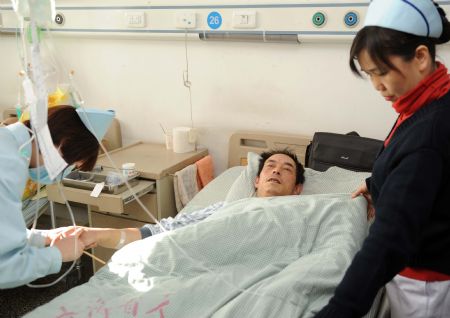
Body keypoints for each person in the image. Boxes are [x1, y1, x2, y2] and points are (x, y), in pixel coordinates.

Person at [315, 1, 450, 317]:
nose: (377, 85)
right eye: (369, 74)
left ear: (420, 57)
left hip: (426, 287)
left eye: (382, 72)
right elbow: (415, 169)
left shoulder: (429, 133)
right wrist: (376, 182)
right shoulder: (427, 103)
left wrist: (339, 310)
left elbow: (389, 239)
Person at [78, 149, 305, 250]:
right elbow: (172, 228)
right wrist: (103, 234)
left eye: (286, 169)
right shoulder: (229, 207)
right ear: (256, 180)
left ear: (297, 189)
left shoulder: (304, 216)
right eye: (270, 166)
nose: (276, 172)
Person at [0, 105, 114, 289]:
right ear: (63, 144)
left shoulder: (7, 145)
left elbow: (3, 235)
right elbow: (4, 268)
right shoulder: (7, 167)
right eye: (72, 165)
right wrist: (57, 254)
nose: (65, 172)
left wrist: (44, 237)